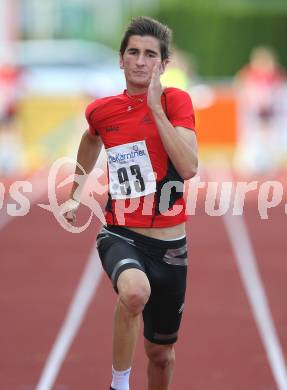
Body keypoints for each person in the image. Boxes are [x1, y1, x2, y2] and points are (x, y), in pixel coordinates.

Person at [64, 16, 198, 390]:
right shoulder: (102, 111)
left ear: (163, 64)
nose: (141, 61)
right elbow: (91, 139)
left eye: (150, 54)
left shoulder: (177, 102)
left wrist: (155, 109)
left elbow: (188, 167)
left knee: (161, 354)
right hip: (121, 233)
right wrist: (75, 190)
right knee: (134, 291)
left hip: (171, 248)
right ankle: (118, 384)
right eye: (133, 53)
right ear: (121, 60)